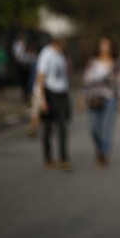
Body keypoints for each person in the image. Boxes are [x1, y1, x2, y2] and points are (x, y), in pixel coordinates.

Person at [81, 37, 120, 167]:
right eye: (102, 45)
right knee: (93, 129)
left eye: (107, 45)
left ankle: (103, 154)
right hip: (93, 99)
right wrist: (82, 98)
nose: (105, 48)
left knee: (107, 128)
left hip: (110, 99)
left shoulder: (117, 64)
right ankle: (100, 148)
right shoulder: (92, 63)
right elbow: (86, 82)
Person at [34, 35, 71, 171]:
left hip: (61, 94)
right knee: (48, 127)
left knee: (62, 127)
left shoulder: (60, 54)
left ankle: (63, 158)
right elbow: (40, 76)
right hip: (50, 93)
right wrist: (41, 98)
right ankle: (48, 157)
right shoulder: (46, 54)